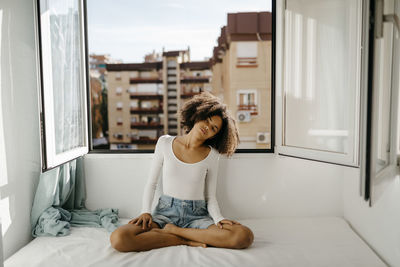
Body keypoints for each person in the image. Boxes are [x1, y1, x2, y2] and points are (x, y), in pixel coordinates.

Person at [110, 92, 254, 252]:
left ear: (216, 135)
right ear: (198, 114)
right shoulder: (164, 142)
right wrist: (145, 211)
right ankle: (186, 239)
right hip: (165, 214)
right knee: (119, 239)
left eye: (214, 128)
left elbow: (210, 197)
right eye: (207, 120)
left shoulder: (212, 155)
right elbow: (151, 183)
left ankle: (176, 233)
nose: (208, 127)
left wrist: (219, 218)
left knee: (244, 236)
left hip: (197, 216)